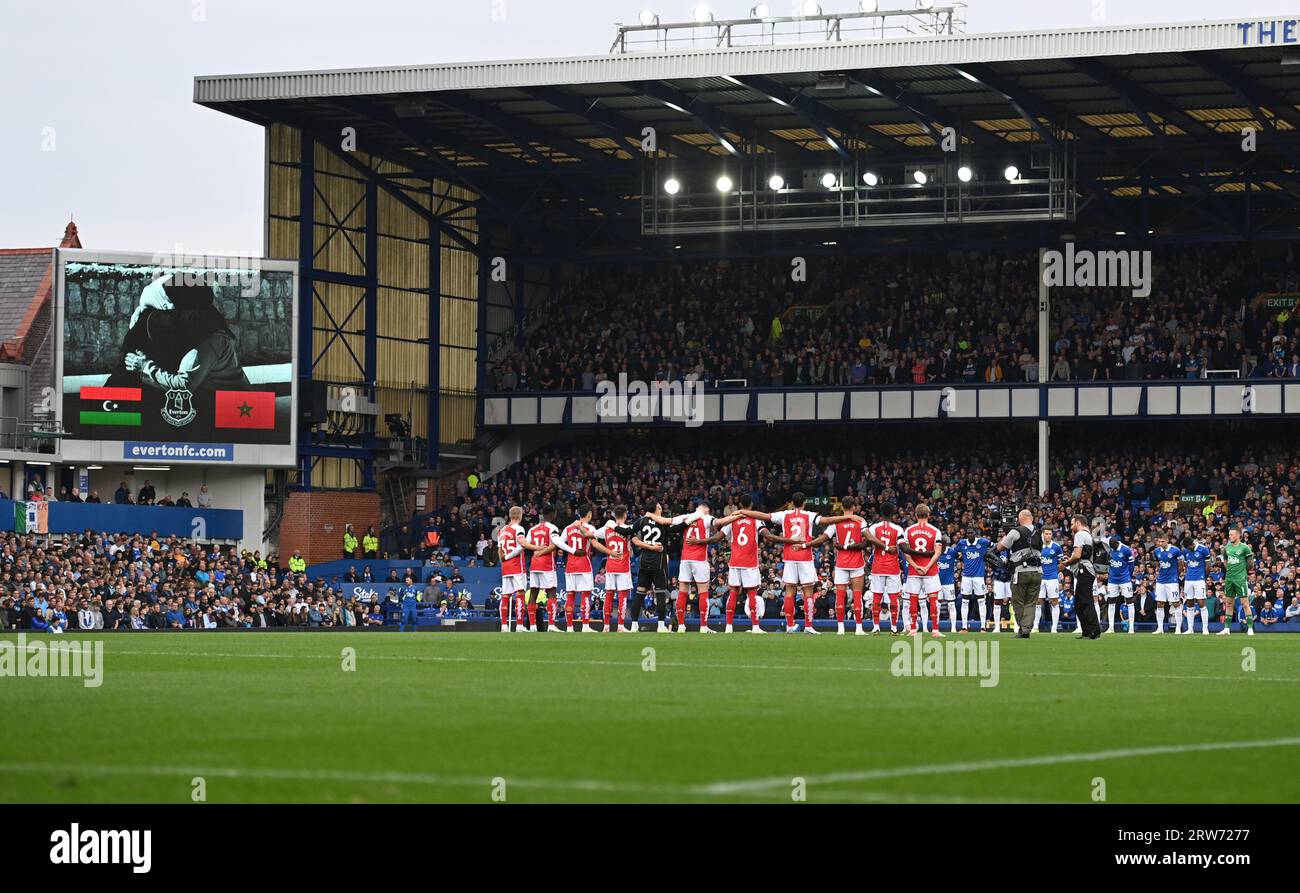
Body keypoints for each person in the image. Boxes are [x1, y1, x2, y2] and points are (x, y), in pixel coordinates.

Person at [998, 509, 1043, 639]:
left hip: (1021, 571)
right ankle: (1027, 628)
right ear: (1032, 518)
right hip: (1037, 571)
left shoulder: (1016, 531)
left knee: (1018, 601)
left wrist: (1005, 536)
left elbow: (1001, 547)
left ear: (1020, 518)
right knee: (1031, 602)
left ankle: (1022, 628)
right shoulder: (1039, 532)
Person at [1062, 515, 1101, 639]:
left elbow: (1078, 555)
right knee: (1079, 602)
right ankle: (1087, 631)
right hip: (1087, 570)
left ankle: (1094, 631)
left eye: (1072, 523)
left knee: (1085, 601)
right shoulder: (1088, 534)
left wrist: (1067, 562)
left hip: (1085, 570)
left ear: (1078, 523)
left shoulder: (1079, 535)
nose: (1071, 526)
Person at [1217, 527, 1255, 636]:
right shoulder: (1227, 548)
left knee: (1245, 604)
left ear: (1238, 535)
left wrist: (1243, 571)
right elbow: (1225, 560)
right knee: (1228, 603)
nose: (1230, 536)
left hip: (1240, 579)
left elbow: (1250, 563)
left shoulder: (1245, 548)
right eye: (1229, 535)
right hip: (1229, 578)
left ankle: (1250, 628)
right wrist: (1229, 570)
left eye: (1232, 535)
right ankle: (1227, 629)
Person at [1035, 527, 1065, 633]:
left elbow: (1062, 562)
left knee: (1054, 602)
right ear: (1043, 535)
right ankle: (1035, 627)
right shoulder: (1038, 546)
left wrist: (1056, 572)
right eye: (1046, 534)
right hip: (1040, 578)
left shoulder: (1056, 547)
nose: (1048, 535)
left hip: (1052, 578)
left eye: (1049, 534)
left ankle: (1054, 628)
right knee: (1038, 602)